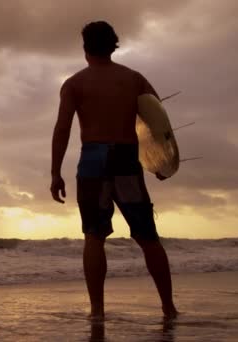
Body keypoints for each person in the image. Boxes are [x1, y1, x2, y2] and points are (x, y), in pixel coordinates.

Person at [50, 21, 178, 319]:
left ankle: (97, 311)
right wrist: (163, 162)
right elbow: (158, 124)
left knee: (94, 236)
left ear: (85, 49)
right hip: (125, 160)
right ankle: (168, 308)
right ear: (113, 45)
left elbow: (62, 129)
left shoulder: (74, 84)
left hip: (92, 161)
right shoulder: (134, 80)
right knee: (148, 236)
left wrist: (55, 173)